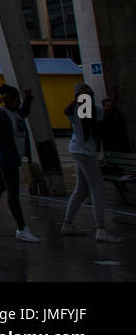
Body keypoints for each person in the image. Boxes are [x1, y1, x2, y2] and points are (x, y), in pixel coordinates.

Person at [0, 83, 40, 243]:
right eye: (16, 99)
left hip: (13, 157)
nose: (18, 101)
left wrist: (29, 98)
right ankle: (22, 228)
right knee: (13, 193)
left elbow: (24, 111)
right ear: (8, 100)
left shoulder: (16, 112)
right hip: (7, 158)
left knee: (0, 187)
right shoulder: (2, 114)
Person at [61, 83, 120, 243]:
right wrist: (78, 97)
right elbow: (67, 110)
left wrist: (114, 97)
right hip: (85, 153)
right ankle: (100, 229)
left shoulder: (92, 110)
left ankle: (67, 224)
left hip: (79, 151)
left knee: (81, 189)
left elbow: (106, 112)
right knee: (97, 189)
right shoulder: (79, 109)